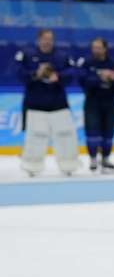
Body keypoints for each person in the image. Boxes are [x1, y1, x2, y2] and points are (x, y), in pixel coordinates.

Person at [15, 29, 80, 176]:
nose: (47, 41)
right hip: (35, 104)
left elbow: (72, 73)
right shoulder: (27, 55)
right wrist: (35, 74)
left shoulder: (62, 55)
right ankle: (32, 166)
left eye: (50, 39)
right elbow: (18, 72)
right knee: (35, 136)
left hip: (58, 104)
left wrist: (59, 77)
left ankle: (68, 165)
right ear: (38, 39)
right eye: (44, 39)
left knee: (65, 135)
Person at [79, 37, 114, 172]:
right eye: (94, 47)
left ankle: (105, 158)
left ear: (105, 49)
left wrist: (113, 78)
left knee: (108, 133)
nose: (96, 50)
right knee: (92, 132)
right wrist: (99, 78)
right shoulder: (86, 63)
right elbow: (82, 81)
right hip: (92, 102)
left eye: (99, 47)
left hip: (109, 102)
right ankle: (93, 159)